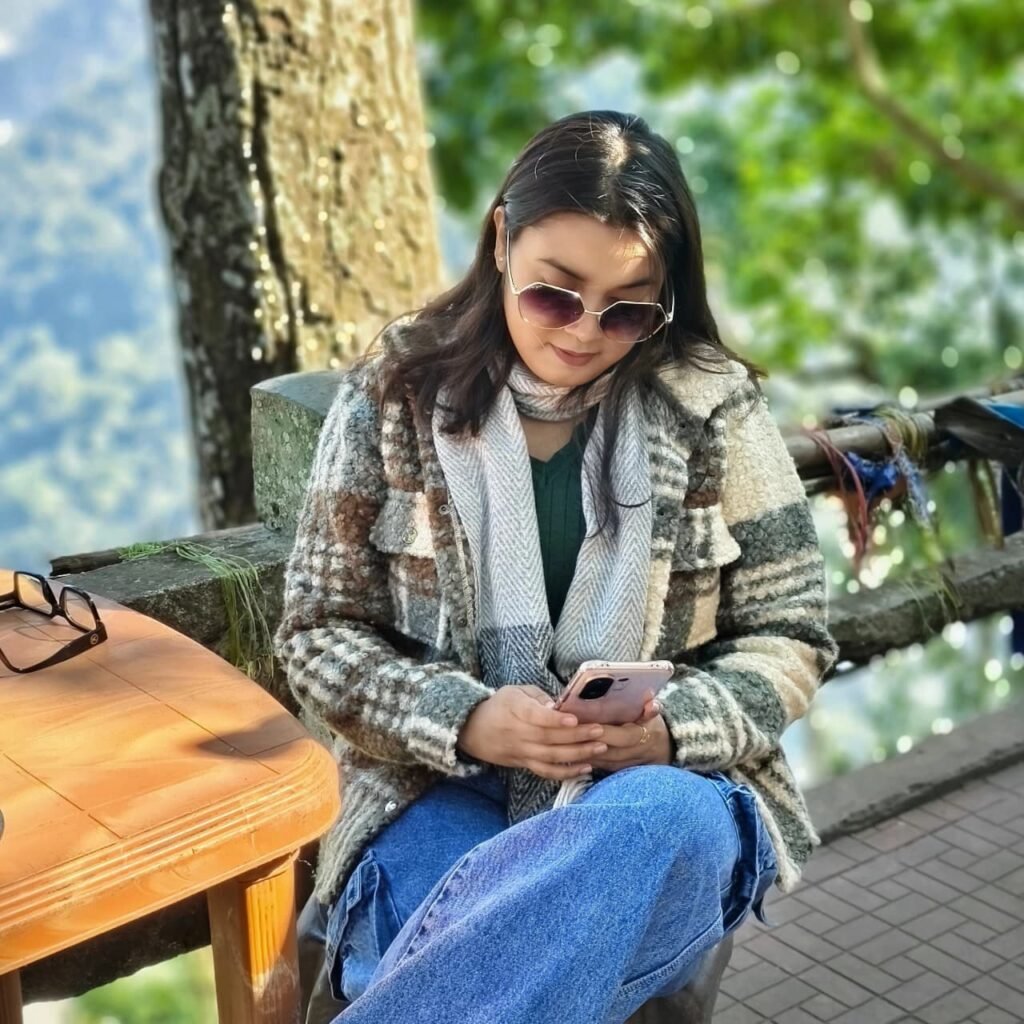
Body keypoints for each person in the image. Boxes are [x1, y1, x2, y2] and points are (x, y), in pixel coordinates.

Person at [275, 109, 839, 1024]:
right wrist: (467, 721)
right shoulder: (396, 390)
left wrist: (668, 732)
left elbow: (792, 635)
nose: (583, 332)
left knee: (653, 824)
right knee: (495, 949)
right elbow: (316, 631)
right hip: (435, 785)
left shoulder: (712, 407)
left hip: (661, 792)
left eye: (628, 309)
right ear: (503, 238)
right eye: (554, 295)